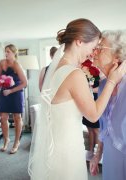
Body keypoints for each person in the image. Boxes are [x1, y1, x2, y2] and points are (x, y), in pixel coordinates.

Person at [28, 18, 126, 180]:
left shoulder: (52, 70)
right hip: (68, 150)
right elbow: (94, 116)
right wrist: (111, 81)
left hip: (54, 149)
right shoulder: (74, 74)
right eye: (94, 47)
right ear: (80, 42)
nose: (93, 52)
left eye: (98, 49)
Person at [89, 30, 126, 180]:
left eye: (101, 48)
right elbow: (103, 127)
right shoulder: (104, 85)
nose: (94, 52)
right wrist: (97, 155)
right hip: (111, 156)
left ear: (117, 55)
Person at [0, 44, 27, 154]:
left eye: (8, 52)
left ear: (14, 53)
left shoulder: (17, 65)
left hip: (15, 92)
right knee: (3, 117)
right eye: (5, 52)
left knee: (17, 117)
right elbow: (1, 77)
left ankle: (16, 142)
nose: (6, 54)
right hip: (4, 92)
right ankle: (6, 139)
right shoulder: (2, 62)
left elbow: (25, 83)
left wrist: (11, 91)